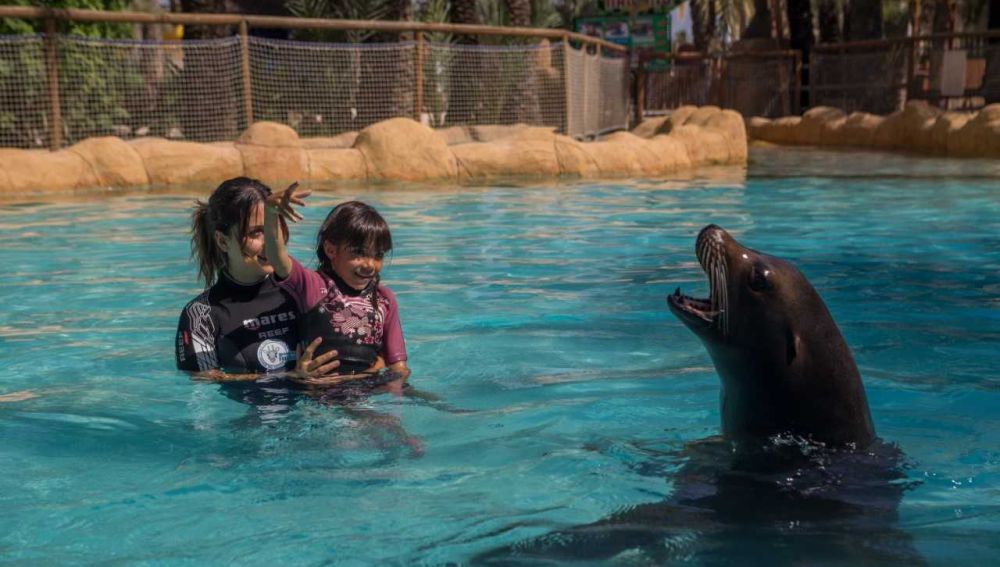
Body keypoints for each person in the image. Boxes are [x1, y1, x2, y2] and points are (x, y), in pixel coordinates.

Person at [175, 177, 339, 382]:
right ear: (223, 241)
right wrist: (292, 376)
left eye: (272, 228)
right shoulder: (201, 314)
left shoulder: (303, 290)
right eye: (255, 233)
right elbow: (203, 380)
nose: (268, 243)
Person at [264, 185, 410, 385]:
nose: (369, 265)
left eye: (378, 255)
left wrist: (395, 395)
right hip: (325, 392)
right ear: (331, 250)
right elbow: (277, 258)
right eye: (358, 253)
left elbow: (398, 367)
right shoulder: (314, 286)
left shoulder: (385, 299)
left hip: (370, 386)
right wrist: (270, 214)